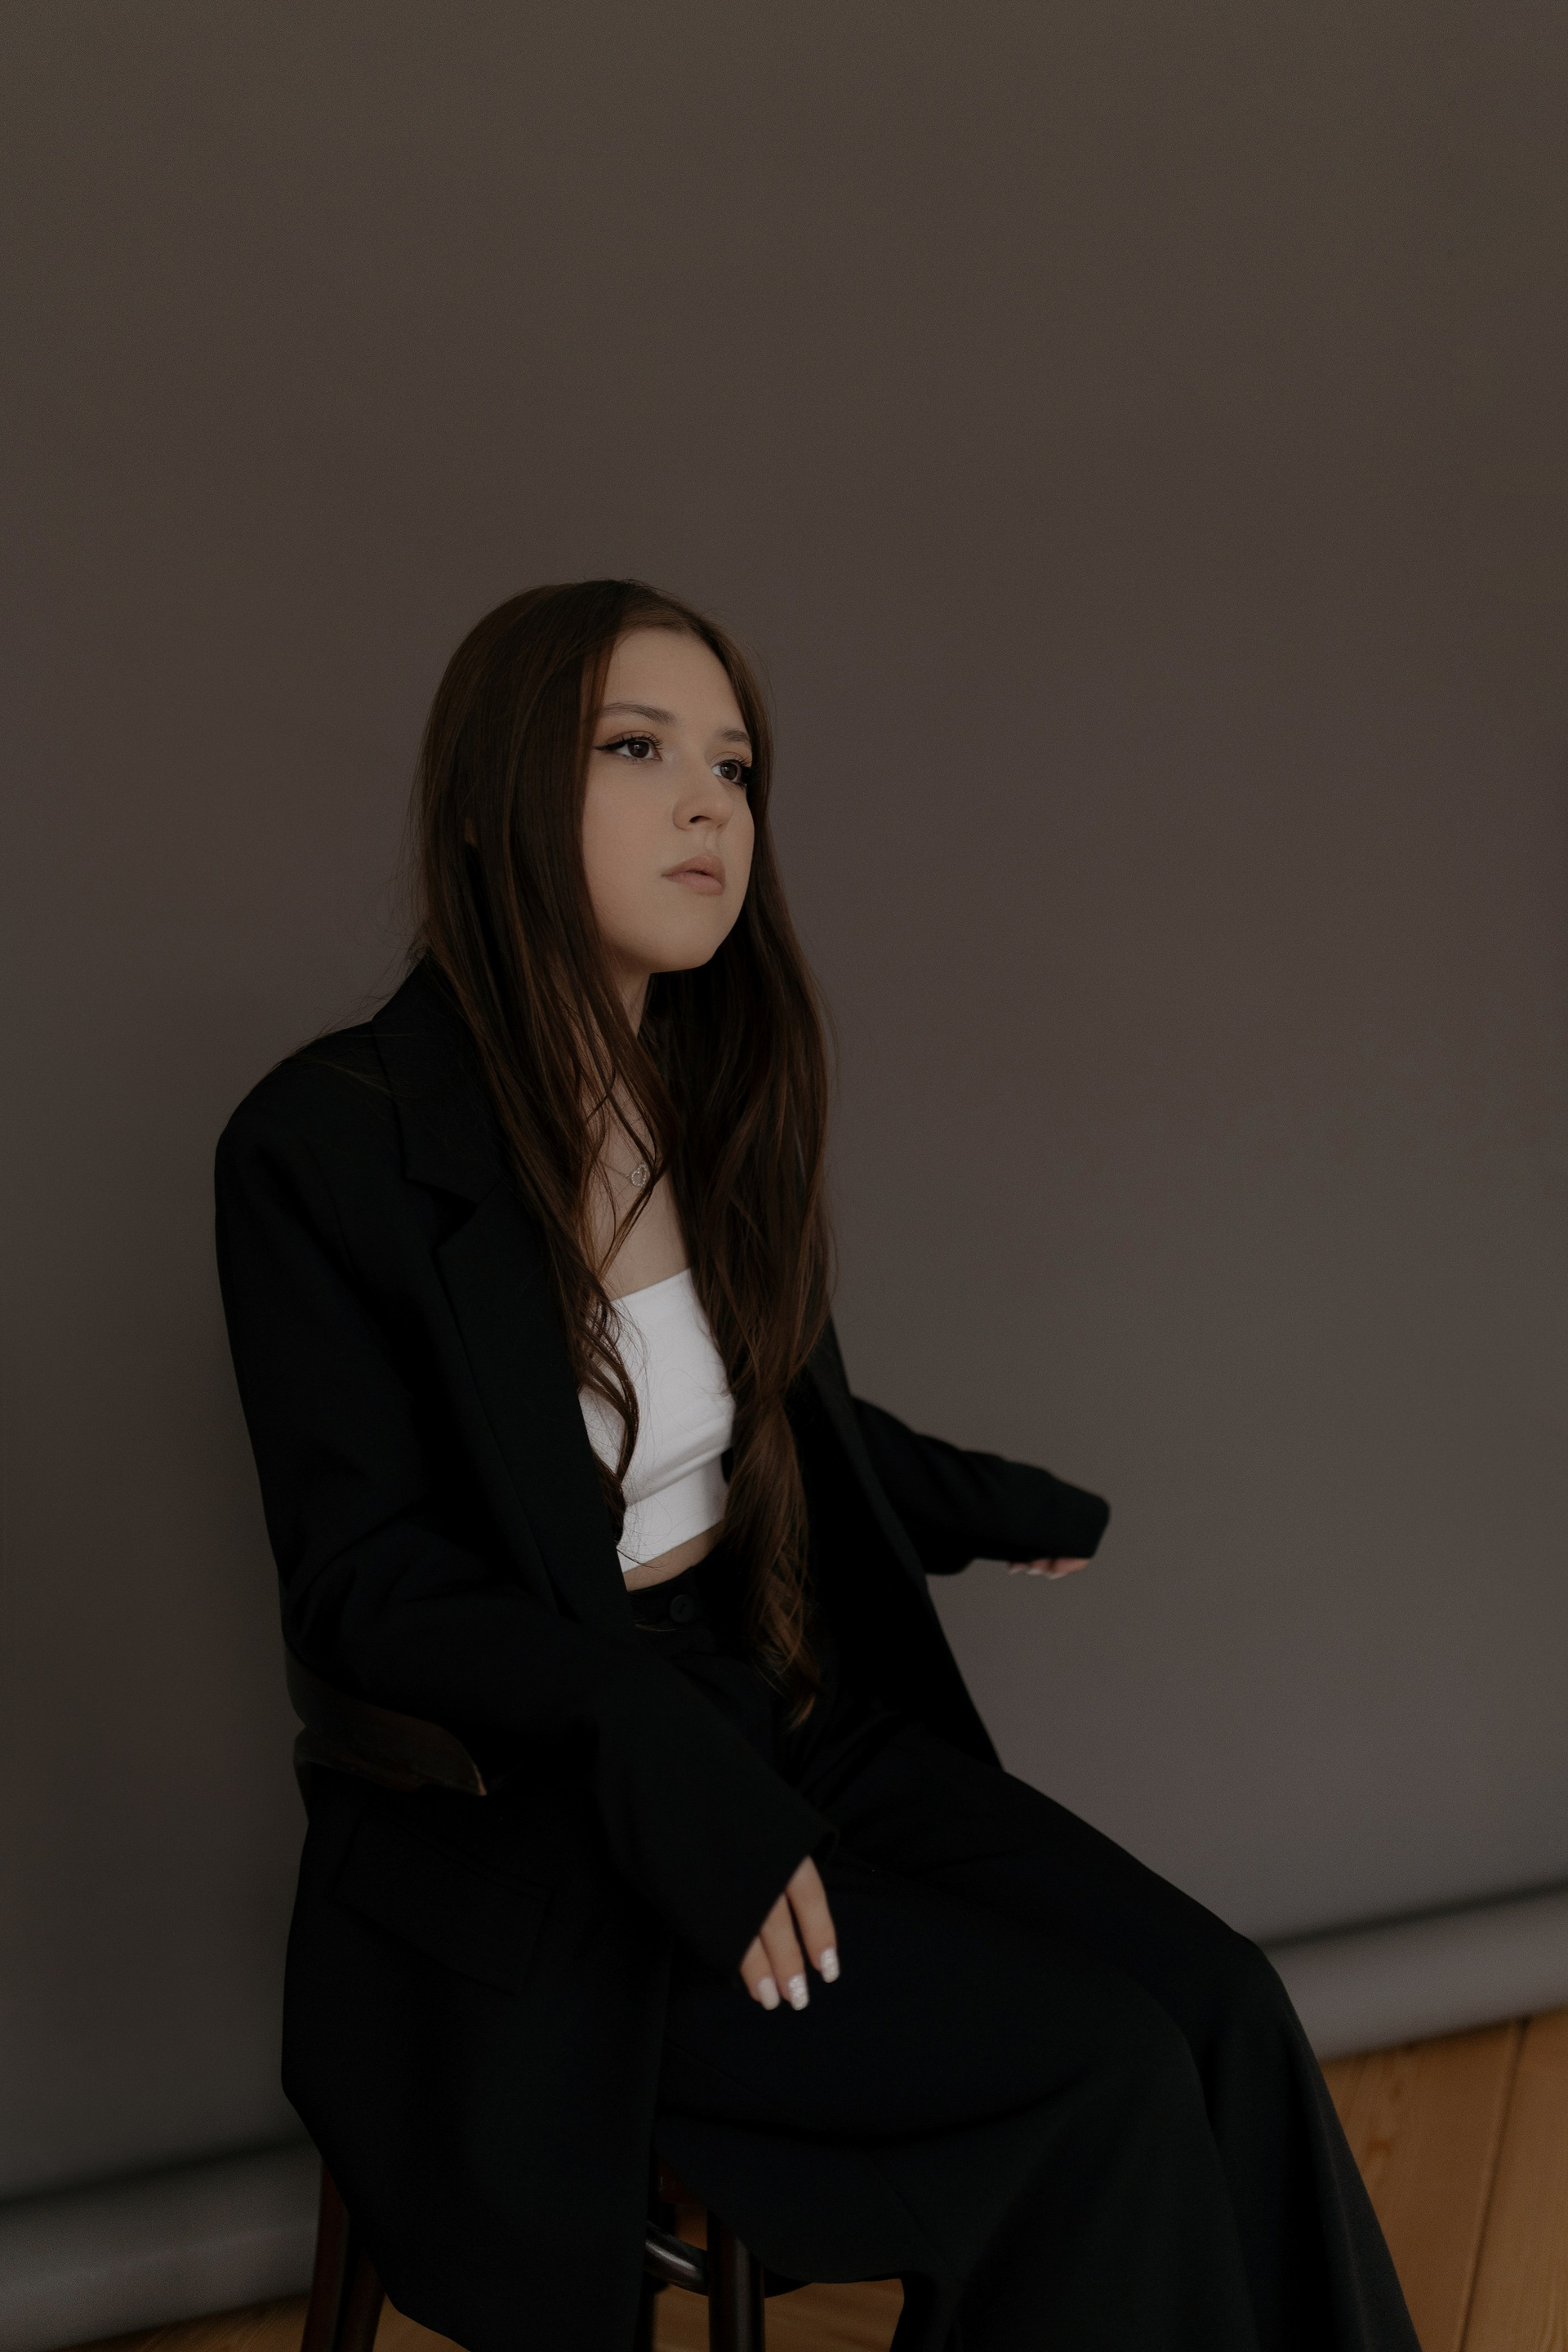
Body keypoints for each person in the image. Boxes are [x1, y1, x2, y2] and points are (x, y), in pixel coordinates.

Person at [214, 579, 1418, 2352]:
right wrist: (642, 1742)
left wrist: (988, 1504)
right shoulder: (323, 1144)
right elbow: (363, 1583)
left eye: (736, 767)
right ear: (489, 799)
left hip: (778, 1710)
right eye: (638, 750)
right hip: (542, 1821)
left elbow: (760, 1426)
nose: (711, 806)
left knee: (1224, 2004)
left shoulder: (708, 1101)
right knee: (1097, 2074)